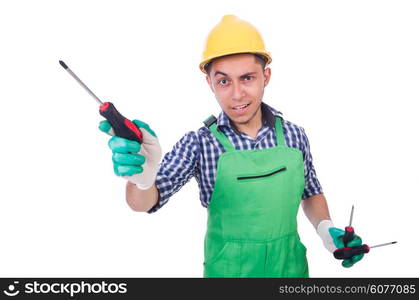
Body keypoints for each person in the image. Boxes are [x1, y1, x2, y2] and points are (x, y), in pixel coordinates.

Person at [99, 15, 364, 277]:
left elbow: (310, 191)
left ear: (266, 76)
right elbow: (144, 203)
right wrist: (142, 180)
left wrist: (326, 229)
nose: (236, 94)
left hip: (290, 271)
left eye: (247, 78)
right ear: (210, 82)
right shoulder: (200, 143)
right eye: (224, 81)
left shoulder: (295, 136)